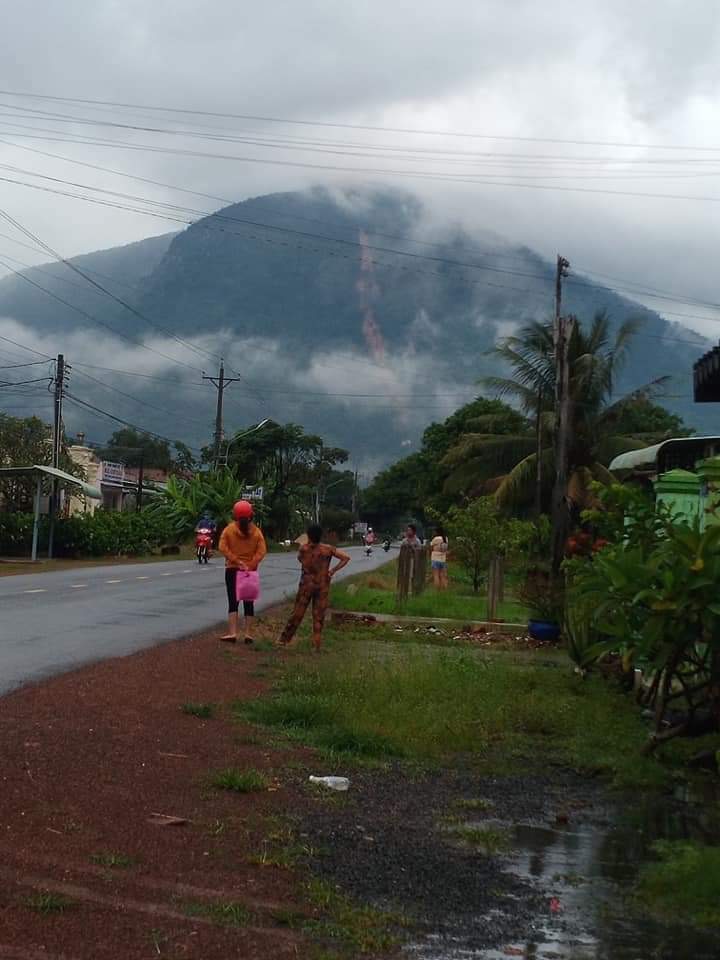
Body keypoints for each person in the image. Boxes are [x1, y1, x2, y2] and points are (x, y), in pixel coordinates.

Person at [277, 524, 350, 651]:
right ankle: (316, 644)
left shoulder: (304, 549)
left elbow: (301, 560)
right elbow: (345, 557)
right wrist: (332, 570)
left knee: (297, 613)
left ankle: (284, 640)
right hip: (322, 585)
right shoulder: (328, 549)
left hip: (306, 585)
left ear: (309, 535)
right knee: (318, 616)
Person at [218, 500, 267, 644]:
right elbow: (262, 551)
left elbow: (222, 547)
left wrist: (236, 561)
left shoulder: (229, 530)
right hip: (249, 571)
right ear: (251, 515)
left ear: (235, 515)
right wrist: (251, 564)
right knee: (248, 602)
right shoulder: (257, 532)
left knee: (233, 601)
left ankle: (232, 632)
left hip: (232, 569)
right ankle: (248, 633)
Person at [430, 525, 449, 590]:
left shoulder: (436, 539)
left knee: (436, 575)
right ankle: (444, 590)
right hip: (443, 559)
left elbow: (431, 546)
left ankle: (437, 590)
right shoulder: (446, 538)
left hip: (435, 558)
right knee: (443, 576)